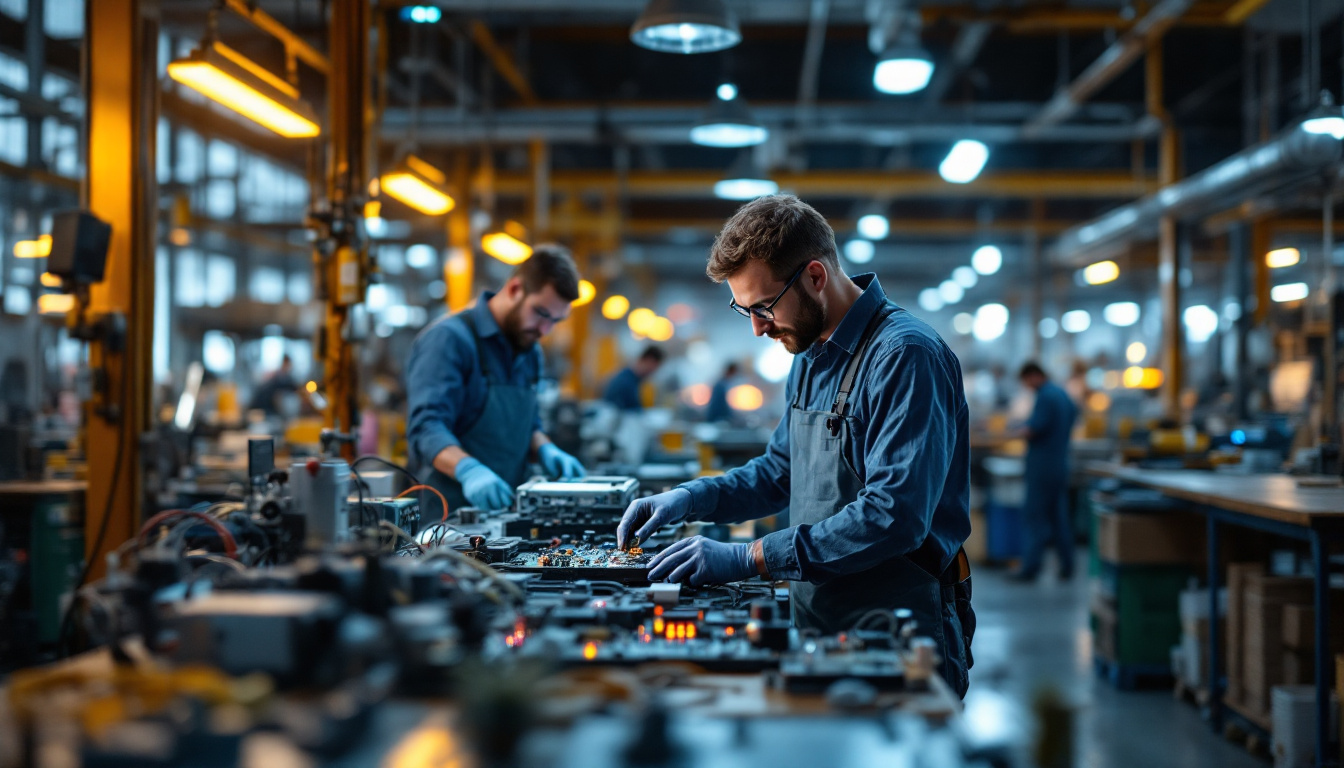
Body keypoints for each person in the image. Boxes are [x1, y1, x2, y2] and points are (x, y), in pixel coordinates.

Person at [614, 194, 974, 697]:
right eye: (745, 311)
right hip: (818, 620)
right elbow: (780, 472)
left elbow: (895, 515)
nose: (759, 327)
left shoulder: (905, 357)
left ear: (815, 277)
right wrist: (690, 498)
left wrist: (750, 557)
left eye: (764, 307)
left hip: (897, 631)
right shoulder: (808, 353)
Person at [405, 245, 587, 522]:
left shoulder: (529, 350)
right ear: (515, 288)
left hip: (505, 518)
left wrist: (544, 447)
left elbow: (527, 423)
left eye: (555, 321)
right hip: (445, 519)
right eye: (540, 313)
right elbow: (426, 429)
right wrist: (469, 470)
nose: (544, 330)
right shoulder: (449, 340)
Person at [1012, 361, 1079, 581]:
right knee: (1058, 517)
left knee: (1035, 517)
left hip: (1042, 467)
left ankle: (1030, 568)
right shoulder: (1062, 394)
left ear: (1033, 376)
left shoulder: (1045, 396)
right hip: (1059, 464)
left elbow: (1033, 428)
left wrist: (1014, 430)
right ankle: (1067, 565)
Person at [603, 346, 666, 412]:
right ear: (648, 361)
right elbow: (630, 411)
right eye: (653, 368)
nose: (652, 372)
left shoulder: (631, 378)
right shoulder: (626, 382)